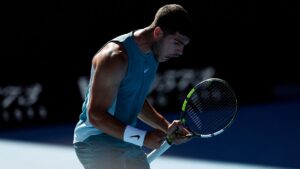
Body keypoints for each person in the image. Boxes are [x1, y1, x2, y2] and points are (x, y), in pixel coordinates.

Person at [73, 4, 193, 169]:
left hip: (125, 141)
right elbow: (95, 116)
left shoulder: (153, 56)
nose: (180, 51)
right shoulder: (114, 58)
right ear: (158, 32)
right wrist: (142, 138)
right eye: (177, 43)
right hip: (95, 141)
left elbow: (134, 97)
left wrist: (166, 127)